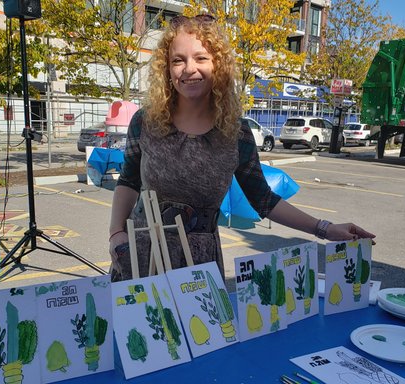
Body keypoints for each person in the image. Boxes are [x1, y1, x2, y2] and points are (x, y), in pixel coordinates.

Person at [108, 15, 375, 281]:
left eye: (201, 58)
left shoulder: (236, 133)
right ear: (167, 68)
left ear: (219, 65)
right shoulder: (145, 121)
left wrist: (325, 229)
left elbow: (263, 200)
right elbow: (129, 181)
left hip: (198, 265)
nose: (189, 69)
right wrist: (116, 234)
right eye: (178, 60)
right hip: (141, 255)